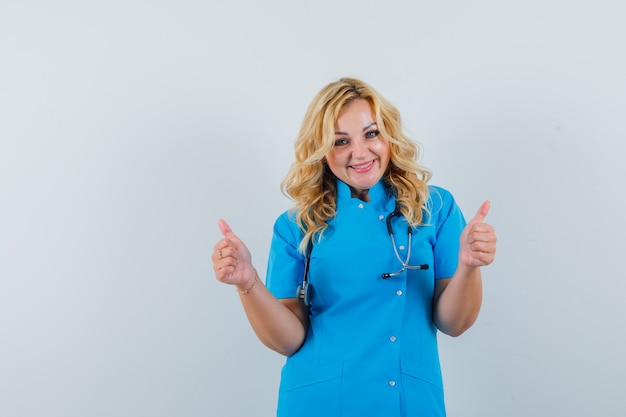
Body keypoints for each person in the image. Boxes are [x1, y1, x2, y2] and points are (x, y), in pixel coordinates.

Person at [212, 77, 497, 417]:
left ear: (388, 134)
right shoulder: (296, 225)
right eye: (340, 141)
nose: (359, 152)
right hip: (319, 404)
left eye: (371, 133)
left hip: (410, 402)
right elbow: (288, 339)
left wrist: (469, 266)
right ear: (320, 151)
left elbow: (455, 323)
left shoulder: (435, 208)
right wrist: (248, 283)